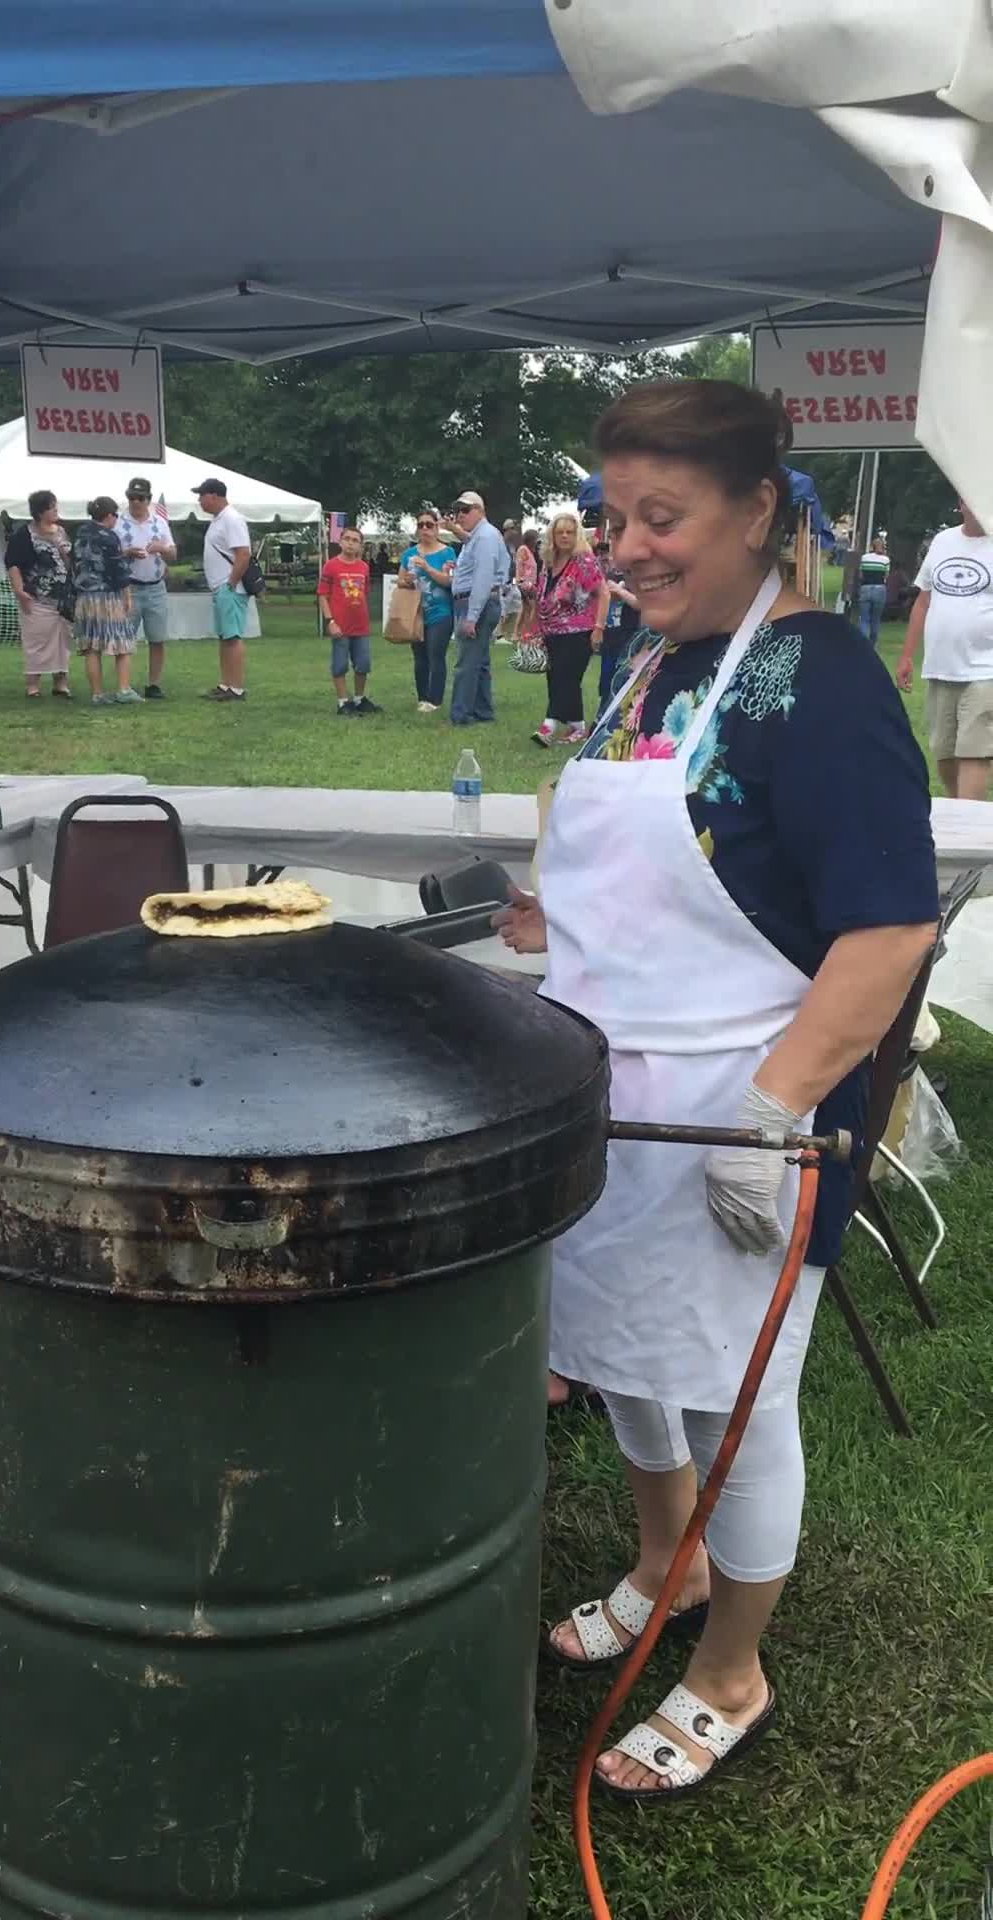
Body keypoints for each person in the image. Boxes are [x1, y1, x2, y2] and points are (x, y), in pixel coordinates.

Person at [495, 379, 937, 1804]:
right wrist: (556, 928)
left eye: (661, 517)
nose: (624, 545)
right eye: (613, 515)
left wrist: (773, 1111)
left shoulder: (826, 687)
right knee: (626, 1355)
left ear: (759, 511)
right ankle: (659, 1562)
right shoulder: (654, 659)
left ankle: (731, 1664)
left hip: (748, 1115)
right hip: (612, 1100)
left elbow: (886, 931)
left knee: (741, 1405)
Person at [897, 501, 993, 800]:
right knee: (944, 753)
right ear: (960, 505)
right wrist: (906, 655)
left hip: (985, 667)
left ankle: (968, 821)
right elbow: (923, 601)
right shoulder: (943, 541)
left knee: (974, 751)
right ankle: (959, 808)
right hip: (941, 665)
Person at [531, 511, 605, 747]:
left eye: (569, 532)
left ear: (577, 535)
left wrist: (599, 628)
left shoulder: (584, 560)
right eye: (560, 532)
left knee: (566, 678)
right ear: (552, 535)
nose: (564, 536)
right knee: (557, 679)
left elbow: (603, 593)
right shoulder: (549, 562)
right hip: (551, 632)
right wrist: (535, 628)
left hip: (579, 630)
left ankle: (548, 726)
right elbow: (541, 595)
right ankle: (577, 726)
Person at [71, 496, 141, 706]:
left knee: (92, 647)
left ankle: (97, 694)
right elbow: (117, 570)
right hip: (106, 596)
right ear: (109, 515)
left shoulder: (81, 534)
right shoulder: (109, 537)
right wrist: (127, 595)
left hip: (84, 596)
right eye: (116, 515)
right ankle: (123, 689)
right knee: (122, 642)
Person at [4, 490, 72, 700]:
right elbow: (13, 563)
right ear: (41, 511)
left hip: (62, 598)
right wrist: (19, 590)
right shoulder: (24, 535)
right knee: (36, 640)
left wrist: (63, 552)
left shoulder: (61, 532)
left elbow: (71, 562)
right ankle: (32, 685)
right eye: (52, 508)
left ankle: (60, 683)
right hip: (36, 597)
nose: (56, 511)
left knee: (62, 641)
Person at [449, 491, 508, 727]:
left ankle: (461, 714)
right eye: (457, 511)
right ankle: (483, 710)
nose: (459, 515)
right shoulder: (482, 536)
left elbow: (483, 579)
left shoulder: (484, 537)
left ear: (480, 511)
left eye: (465, 510)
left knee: (467, 662)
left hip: (476, 604)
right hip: (481, 602)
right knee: (480, 661)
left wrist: (472, 617)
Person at [116, 477, 176, 699]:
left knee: (157, 638)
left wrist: (161, 547)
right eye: (131, 497)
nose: (135, 502)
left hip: (155, 586)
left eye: (140, 498)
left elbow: (173, 553)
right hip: (129, 586)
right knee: (125, 638)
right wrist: (127, 553)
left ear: (148, 500)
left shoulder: (159, 523)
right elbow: (110, 555)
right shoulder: (119, 523)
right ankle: (125, 684)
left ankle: (154, 684)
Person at [192, 478, 251, 703]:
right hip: (220, 586)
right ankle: (225, 683)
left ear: (214, 495)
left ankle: (236, 688)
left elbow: (243, 554)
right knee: (224, 637)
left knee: (233, 637)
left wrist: (231, 583)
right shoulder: (218, 520)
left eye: (201, 495)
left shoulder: (232, 519)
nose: (199, 500)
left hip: (230, 587)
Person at [397, 512, 457, 712]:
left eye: (429, 525)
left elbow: (450, 581)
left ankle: (435, 700)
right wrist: (406, 581)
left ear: (436, 528)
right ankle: (423, 697)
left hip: (441, 611)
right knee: (419, 656)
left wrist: (427, 568)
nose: (424, 529)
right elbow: (400, 580)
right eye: (420, 525)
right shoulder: (409, 554)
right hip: (416, 612)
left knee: (435, 654)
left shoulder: (447, 552)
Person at [318, 527, 381, 716]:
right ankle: (342, 701)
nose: (350, 543)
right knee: (340, 664)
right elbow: (322, 595)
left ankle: (359, 699)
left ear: (360, 545)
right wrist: (330, 620)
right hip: (340, 625)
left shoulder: (363, 567)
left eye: (355, 540)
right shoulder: (330, 566)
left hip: (360, 625)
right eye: (347, 539)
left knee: (363, 663)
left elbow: (365, 592)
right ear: (340, 542)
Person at [596, 546, 640, 716]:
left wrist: (621, 592)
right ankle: (600, 717)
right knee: (605, 681)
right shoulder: (608, 577)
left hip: (628, 640)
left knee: (624, 680)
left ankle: (619, 717)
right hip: (609, 638)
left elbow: (640, 604)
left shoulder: (635, 578)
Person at [856, 533, 890, 644]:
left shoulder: (864, 557)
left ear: (872, 546)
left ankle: (862, 642)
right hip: (879, 588)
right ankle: (872, 643)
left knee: (864, 618)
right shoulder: (885, 560)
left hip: (865, 587)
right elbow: (886, 576)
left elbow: (860, 575)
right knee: (875, 618)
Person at [494, 519, 523, 644]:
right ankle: (498, 635)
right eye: (513, 529)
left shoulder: (511, 546)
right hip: (502, 582)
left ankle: (509, 633)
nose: (515, 532)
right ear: (508, 530)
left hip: (511, 582)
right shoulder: (499, 544)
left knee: (517, 606)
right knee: (502, 610)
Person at [514, 527, 540, 644]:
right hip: (525, 583)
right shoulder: (523, 549)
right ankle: (528, 632)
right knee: (534, 607)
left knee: (525, 608)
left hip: (529, 583)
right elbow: (519, 564)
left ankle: (518, 633)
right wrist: (520, 580)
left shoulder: (530, 551)